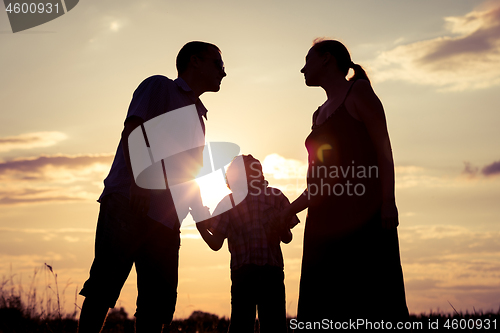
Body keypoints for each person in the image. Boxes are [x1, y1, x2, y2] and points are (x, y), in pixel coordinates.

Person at [78, 41, 226, 333]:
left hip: (167, 221)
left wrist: (201, 216)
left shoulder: (199, 116)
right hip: (129, 203)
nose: (224, 72)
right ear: (195, 61)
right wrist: (140, 182)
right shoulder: (159, 87)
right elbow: (133, 130)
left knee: (156, 305)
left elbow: (188, 174)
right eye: (217, 64)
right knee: (104, 287)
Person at [282, 39, 409, 324]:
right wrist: (289, 209)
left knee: (369, 297)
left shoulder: (358, 92)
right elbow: (317, 181)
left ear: (327, 59)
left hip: (363, 217)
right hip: (323, 223)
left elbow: (383, 151)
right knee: (324, 301)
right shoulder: (318, 114)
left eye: (307, 60)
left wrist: (388, 201)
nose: (302, 69)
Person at [196, 155, 300, 333]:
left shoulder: (274, 197)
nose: (255, 174)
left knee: (261, 325)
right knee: (249, 325)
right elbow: (216, 243)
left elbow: (287, 237)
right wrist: (201, 227)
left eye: (257, 170)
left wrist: (280, 228)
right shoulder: (232, 202)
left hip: (263, 272)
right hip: (250, 273)